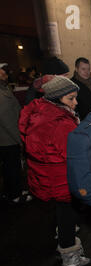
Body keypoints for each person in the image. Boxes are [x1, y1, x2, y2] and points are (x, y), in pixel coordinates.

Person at [19, 75, 91, 266]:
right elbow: (75, 154)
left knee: (61, 216)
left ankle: (62, 236)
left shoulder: (39, 111)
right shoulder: (60, 122)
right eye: (71, 98)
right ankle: (71, 258)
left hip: (45, 176)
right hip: (61, 180)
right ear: (56, 98)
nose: (75, 102)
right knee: (67, 216)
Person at [0, 63, 31, 204]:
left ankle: (14, 190)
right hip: (7, 138)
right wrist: (19, 139)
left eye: (6, 72)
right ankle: (14, 195)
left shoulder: (4, 88)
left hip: (9, 136)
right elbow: (6, 119)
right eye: (2, 72)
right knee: (12, 167)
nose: (5, 75)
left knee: (11, 166)